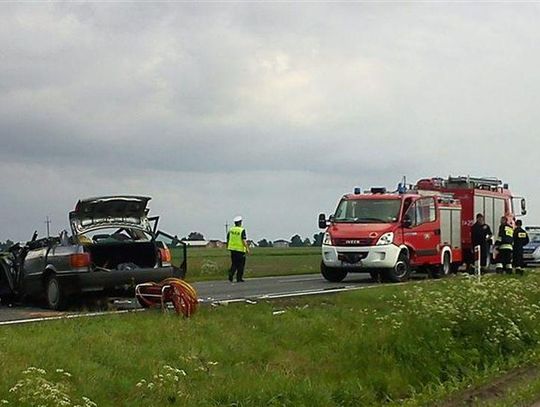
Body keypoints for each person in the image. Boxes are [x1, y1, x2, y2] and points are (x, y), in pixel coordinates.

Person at [227, 215, 250, 282]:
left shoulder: (231, 230)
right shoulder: (242, 230)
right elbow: (243, 240)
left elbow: (228, 238)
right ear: (240, 222)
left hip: (232, 249)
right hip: (240, 250)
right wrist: (247, 248)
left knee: (234, 263)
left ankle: (231, 274)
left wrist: (228, 246)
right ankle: (239, 278)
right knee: (241, 265)